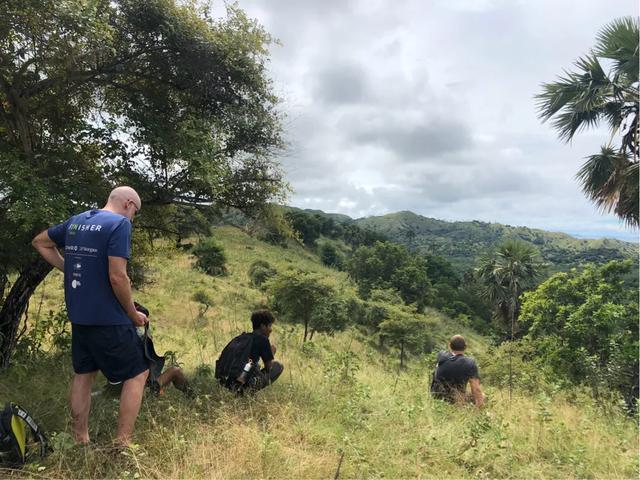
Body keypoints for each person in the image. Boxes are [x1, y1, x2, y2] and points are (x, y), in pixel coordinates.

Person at [32, 186, 148, 446]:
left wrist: (68, 266)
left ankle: (80, 438)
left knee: (84, 374)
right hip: (109, 319)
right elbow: (118, 276)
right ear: (129, 204)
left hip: (79, 316)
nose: (133, 219)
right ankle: (123, 443)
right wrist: (133, 314)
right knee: (137, 374)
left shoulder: (76, 222)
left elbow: (40, 241)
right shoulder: (119, 224)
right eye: (135, 213)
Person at [217, 309, 284, 393]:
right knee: (278, 366)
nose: (271, 329)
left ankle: (238, 388)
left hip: (225, 383)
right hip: (242, 384)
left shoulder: (242, 337)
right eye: (270, 326)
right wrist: (271, 353)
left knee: (252, 365)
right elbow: (268, 367)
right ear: (263, 326)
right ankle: (246, 391)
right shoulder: (263, 340)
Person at [431, 335, 485, 407]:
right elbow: (476, 389)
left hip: (436, 397)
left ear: (449, 345)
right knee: (483, 396)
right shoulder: (470, 363)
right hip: (456, 399)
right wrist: (480, 408)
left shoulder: (441, 355)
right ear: (465, 347)